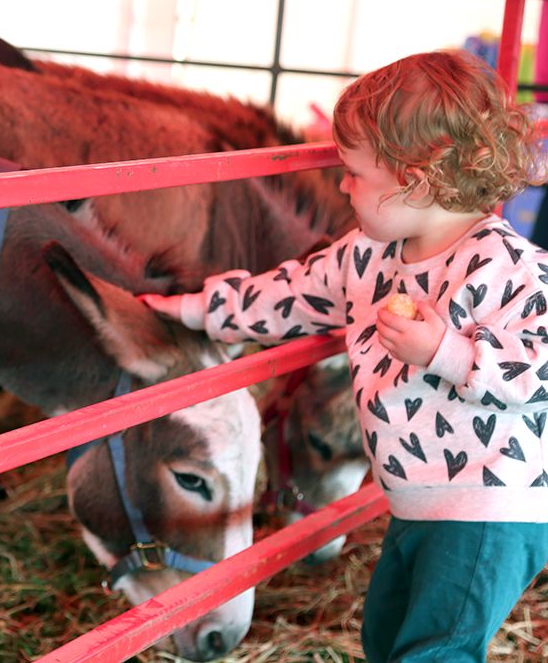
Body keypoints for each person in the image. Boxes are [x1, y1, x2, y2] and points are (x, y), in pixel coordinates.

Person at [141, 49, 548, 662]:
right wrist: (200, 309)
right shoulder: (367, 255)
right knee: (384, 639)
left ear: (418, 179)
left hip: (490, 504)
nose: (341, 184)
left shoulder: (508, 266)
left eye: (355, 173)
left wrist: (448, 352)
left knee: (436, 653)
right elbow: (292, 292)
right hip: (414, 501)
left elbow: (538, 368)